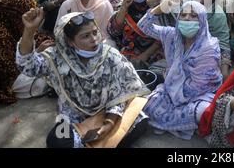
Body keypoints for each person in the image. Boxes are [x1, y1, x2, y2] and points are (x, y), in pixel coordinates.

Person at [17, 9, 150, 148]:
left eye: (95, 32)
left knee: (140, 123)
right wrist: (29, 30)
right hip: (73, 117)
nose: (94, 39)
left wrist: (108, 124)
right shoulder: (56, 57)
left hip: (109, 112)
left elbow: (122, 94)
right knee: (56, 140)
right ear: (70, 41)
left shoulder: (110, 55)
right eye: (85, 36)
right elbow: (27, 66)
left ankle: (99, 142)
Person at [138, 0, 223, 140]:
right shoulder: (172, 35)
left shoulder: (208, 48)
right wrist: (160, 7)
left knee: (202, 112)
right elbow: (143, 26)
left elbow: (200, 86)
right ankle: (179, 125)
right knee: (148, 102)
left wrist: (172, 88)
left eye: (193, 15)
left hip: (200, 95)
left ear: (202, 20)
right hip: (172, 89)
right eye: (183, 15)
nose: (187, 18)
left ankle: (170, 122)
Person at [0, 0, 51, 105]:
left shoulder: (15, 22)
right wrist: (37, 52)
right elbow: (8, 71)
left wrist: (48, 44)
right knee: (44, 82)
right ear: (17, 12)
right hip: (9, 80)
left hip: (25, 64)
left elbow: (38, 37)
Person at [108, 0, 161, 68]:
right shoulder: (124, 4)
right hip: (127, 53)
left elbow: (161, 39)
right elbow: (114, 32)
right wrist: (124, 8)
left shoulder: (158, 8)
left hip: (153, 54)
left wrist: (144, 56)